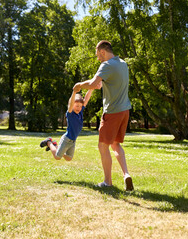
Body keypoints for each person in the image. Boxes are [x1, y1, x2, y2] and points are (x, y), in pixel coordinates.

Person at [73, 40, 134, 191]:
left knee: (102, 146)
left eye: (97, 55)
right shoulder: (123, 63)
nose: (97, 58)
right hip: (125, 110)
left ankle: (107, 182)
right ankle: (126, 174)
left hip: (112, 112)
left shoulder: (106, 65)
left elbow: (93, 84)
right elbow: (110, 83)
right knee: (115, 144)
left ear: (102, 52)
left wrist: (80, 85)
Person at [40, 87, 98, 161]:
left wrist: (91, 89)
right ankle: (49, 142)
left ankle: (56, 146)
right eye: (77, 106)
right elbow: (70, 104)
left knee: (68, 158)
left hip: (73, 141)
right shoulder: (70, 114)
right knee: (57, 157)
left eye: (80, 106)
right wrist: (74, 92)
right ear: (72, 105)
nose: (79, 108)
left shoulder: (80, 112)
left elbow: (86, 99)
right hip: (67, 139)